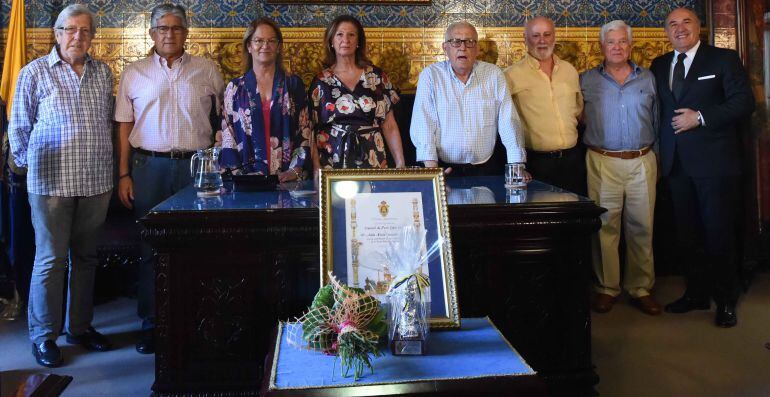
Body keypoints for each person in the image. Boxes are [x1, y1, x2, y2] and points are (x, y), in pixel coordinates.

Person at [114, 3, 224, 353]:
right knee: (150, 247)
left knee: (200, 246)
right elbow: (124, 126)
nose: (170, 34)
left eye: (177, 28)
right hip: (149, 168)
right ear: (152, 33)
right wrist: (124, 174)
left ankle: (198, 318)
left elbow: (224, 122)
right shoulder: (134, 72)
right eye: (163, 28)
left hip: (197, 169)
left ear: (186, 33)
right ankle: (152, 322)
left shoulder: (208, 70)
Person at [8, 4, 114, 367]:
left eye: (85, 31)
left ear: (92, 37)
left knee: (86, 258)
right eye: (71, 30)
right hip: (50, 183)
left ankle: (80, 329)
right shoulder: (34, 72)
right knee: (51, 260)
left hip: (96, 181)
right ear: (57, 33)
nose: (78, 37)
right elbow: (18, 129)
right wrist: (28, 170)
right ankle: (44, 337)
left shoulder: (103, 73)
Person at [650, 7, 755, 327]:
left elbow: (743, 103)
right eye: (672, 24)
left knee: (718, 232)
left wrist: (701, 117)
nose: (679, 29)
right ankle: (696, 294)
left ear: (700, 27)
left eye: (686, 22)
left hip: (715, 164)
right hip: (676, 165)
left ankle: (725, 300)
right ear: (666, 32)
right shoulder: (659, 64)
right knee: (688, 234)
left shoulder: (723, 60)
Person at [581, 20, 661, 315]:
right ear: (602, 46)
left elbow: (658, 119)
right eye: (611, 42)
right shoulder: (586, 79)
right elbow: (577, 118)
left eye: (622, 42)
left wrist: (659, 160)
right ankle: (607, 288)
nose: (617, 47)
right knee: (605, 227)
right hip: (602, 160)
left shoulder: (649, 79)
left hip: (642, 159)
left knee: (643, 226)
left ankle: (640, 288)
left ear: (630, 45)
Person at [410, 21, 528, 177]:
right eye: (456, 41)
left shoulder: (493, 74)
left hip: (486, 168)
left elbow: (508, 120)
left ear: (478, 49)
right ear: (445, 48)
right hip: (443, 169)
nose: (463, 47)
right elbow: (424, 123)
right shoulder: (431, 75)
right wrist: (433, 173)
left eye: (469, 42)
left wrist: (517, 166)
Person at [218, 18, 311, 180]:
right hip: (246, 180)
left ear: (279, 46)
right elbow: (228, 135)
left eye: (271, 41)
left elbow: (305, 130)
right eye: (258, 40)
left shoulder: (293, 84)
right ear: (249, 46)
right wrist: (237, 174)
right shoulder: (235, 88)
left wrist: (295, 171)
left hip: (286, 179)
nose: (265, 46)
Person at [310, 15, 405, 171]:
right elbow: (312, 129)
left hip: (373, 153)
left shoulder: (376, 77)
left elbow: (389, 124)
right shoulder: (321, 81)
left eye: (351, 35)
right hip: (333, 158)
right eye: (340, 34)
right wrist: (315, 169)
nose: (345, 40)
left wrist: (400, 163)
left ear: (358, 41)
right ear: (331, 41)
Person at [504, 16, 584, 194]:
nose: (542, 41)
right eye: (535, 35)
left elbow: (578, 111)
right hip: (535, 164)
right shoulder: (510, 75)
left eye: (547, 34)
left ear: (554, 37)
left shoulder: (570, 71)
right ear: (525, 39)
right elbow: (505, 123)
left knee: (572, 216)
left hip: (572, 161)